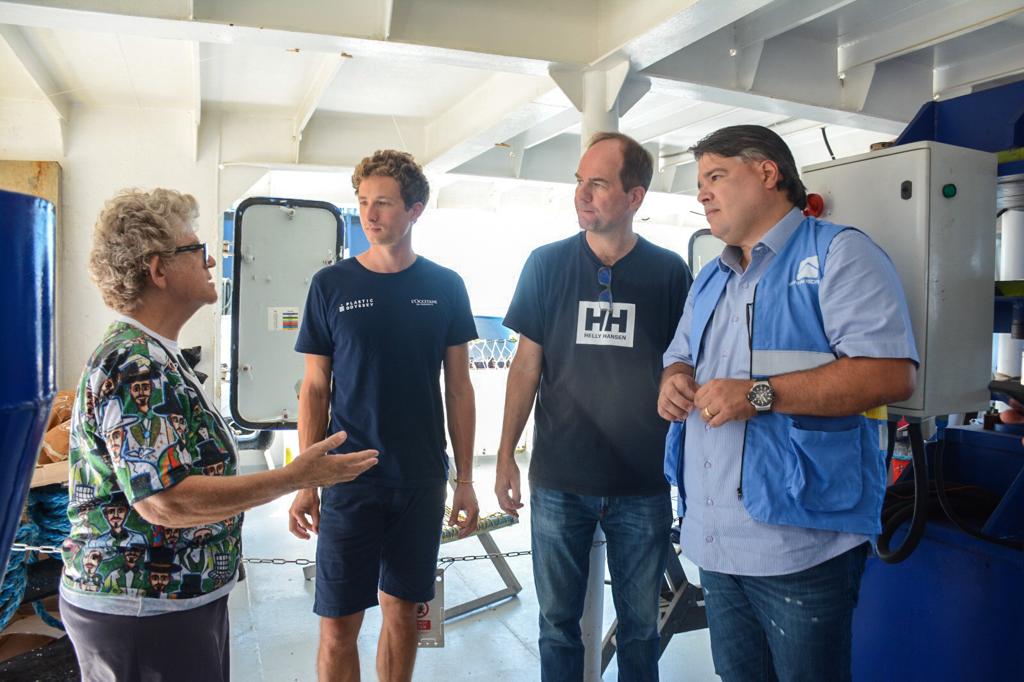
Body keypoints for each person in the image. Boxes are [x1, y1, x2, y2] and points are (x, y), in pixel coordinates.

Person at [60, 188, 379, 682]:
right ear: (158, 269)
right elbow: (163, 502)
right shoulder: (135, 363)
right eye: (193, 249)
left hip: (173, 602)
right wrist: (296, 476)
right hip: (142, 606)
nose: (210, 259)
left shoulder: (156, 354)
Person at [658, 125, 918, 682]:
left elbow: (891, 374)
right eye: (700, 182)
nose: (701, 193)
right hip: (715, 538)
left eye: (716, 176)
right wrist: (674, 379)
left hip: (801, 540)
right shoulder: (710, 276)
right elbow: (678, 356)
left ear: (768, 173)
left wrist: (758, 395)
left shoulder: (840, 253)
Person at [495, 132, 692, 681]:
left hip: (643, 486)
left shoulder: (670, 273)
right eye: (579, 182)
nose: (582, 195)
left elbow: (688, 363)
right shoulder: (546, 264)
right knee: (557, 623)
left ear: (635, 197)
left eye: (598, 184)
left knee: (640, 629)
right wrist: (506, 454)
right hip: (559, 480)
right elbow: (525, 367)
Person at [288, 149, 479, 682]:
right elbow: (315, 387)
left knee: (402, 617)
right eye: (364, 203)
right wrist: (307, 480)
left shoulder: (445, 286)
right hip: (348, 477)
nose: (371, 215)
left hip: (419, 479)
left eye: (385, 204)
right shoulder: (332, 285)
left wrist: (465, 480)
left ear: (415, 210)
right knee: (337, 627)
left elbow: (459, 389)